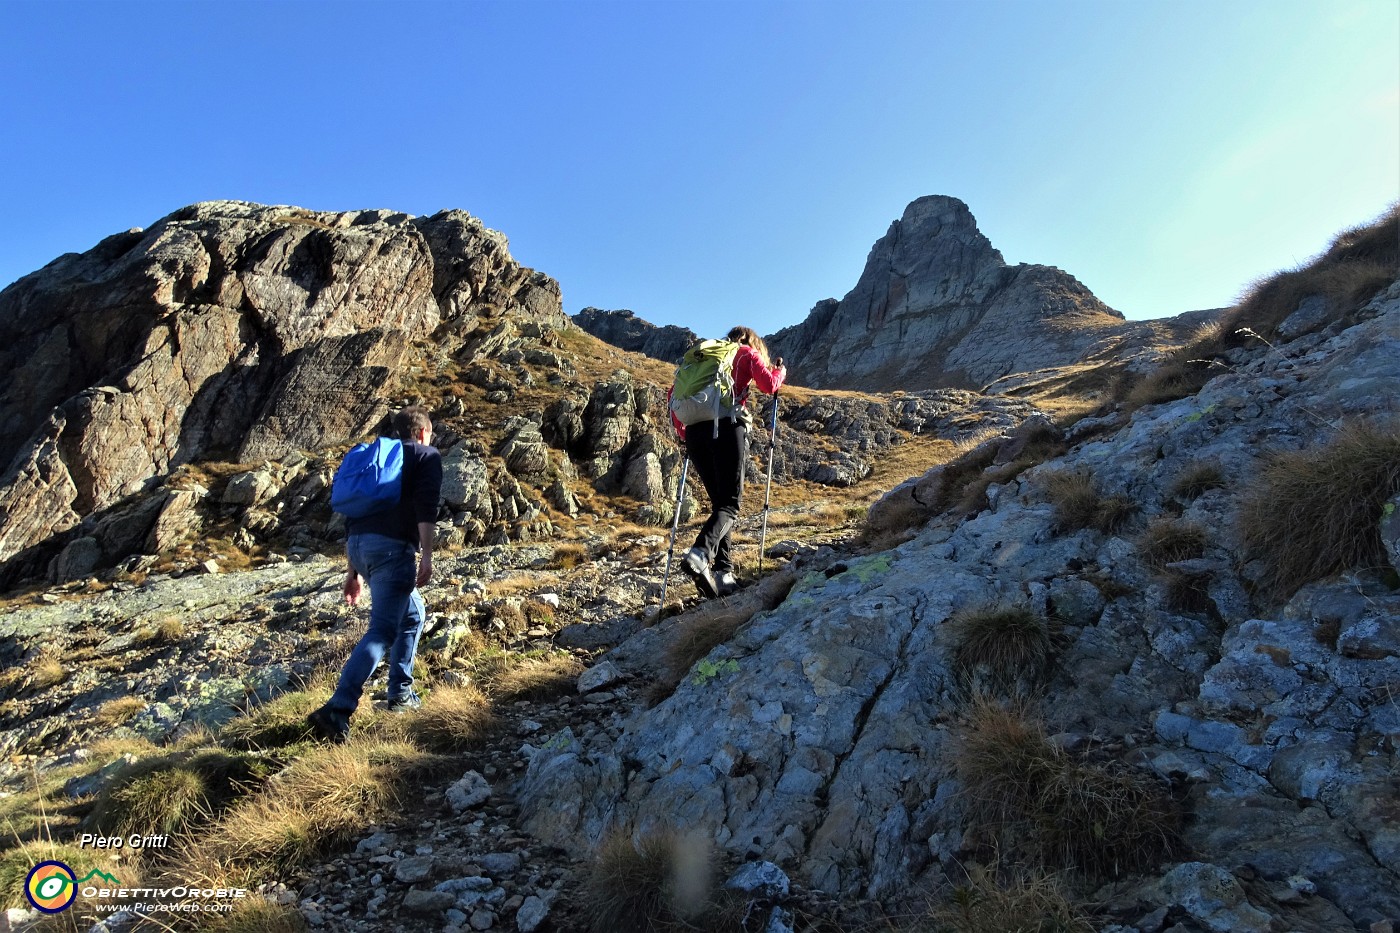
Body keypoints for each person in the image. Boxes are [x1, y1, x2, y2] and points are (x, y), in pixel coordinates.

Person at [308, 405, 443, 743]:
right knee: (382, 631)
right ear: (424, 432)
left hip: (360, 547)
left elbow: (355, 515)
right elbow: (426, 508)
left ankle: (400, 694)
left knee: (413, 613)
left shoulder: (379, 459)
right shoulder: (426, 455)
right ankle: (337, 709)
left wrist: (353, 572)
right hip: (391, 552)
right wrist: (426, 555)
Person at [671, 326, 785, 598]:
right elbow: (769, 385)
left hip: (695, 433)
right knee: (730, 505)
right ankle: (700, 554)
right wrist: (780, 371)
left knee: (719, 505)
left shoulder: (703, 360)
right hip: (727, 426)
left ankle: (724, 574)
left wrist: (685, 433)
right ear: (751, 341)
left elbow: (673, 395)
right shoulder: (745, 353)